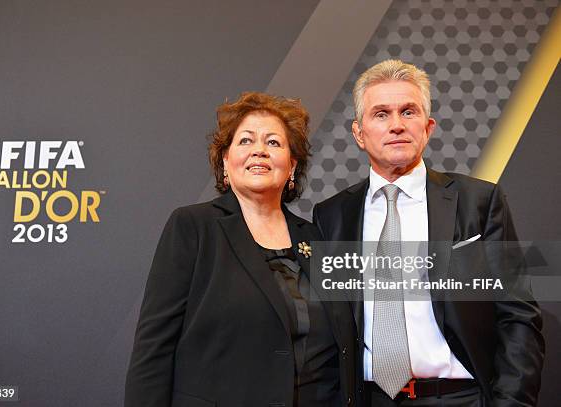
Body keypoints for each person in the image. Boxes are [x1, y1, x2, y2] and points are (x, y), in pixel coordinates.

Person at [313, 60, 544, 406]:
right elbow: (327, 331)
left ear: (428, 127)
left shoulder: (478, 201)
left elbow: (518, 316)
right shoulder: (331, 216)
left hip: (458, 398)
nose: (396, 125)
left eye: (408, 112)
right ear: (359, 134)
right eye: (381, 114)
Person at [125, 92, 356, 407]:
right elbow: (153, 348)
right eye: (246, 141)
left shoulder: (317, 238)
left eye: (273, 143)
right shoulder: (193, 227)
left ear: (292, 166)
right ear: (225, 161)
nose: (259, 150)